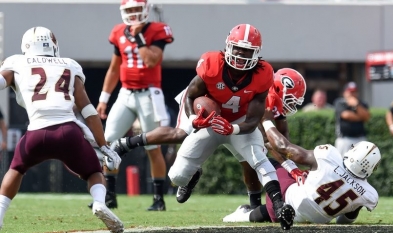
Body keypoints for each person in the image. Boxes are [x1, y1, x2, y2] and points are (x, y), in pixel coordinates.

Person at [113, 68, 307, 210]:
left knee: (249, 160)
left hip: (233, 118)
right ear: (278, 89)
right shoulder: (261, 95)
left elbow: (281, 144)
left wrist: (292, 167)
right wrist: (293, 169)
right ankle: (128, 143)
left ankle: (254, 205)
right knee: (180, 133)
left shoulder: (275, 110)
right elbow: (276, 144)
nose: (290, 106)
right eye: (289, 99)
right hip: (206, 104)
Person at [168, 23, 294, 230]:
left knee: (259, 159)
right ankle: (192, 176)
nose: (241, 55)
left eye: (247, 51)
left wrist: (233, 129)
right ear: (228, 46)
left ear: (257, 53)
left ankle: (279, 206)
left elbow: (254, 120)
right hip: (210, 122)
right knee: (176, 176)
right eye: (238, 48)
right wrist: (194, 120)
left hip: (239, 123)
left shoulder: (263, 74)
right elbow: (190, 96)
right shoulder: (211, 64)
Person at [0, 27, 123, 232]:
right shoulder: (69, 64)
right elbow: (89, 110)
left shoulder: (16, 63)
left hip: (36, 133)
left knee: (16, 169)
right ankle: (100, 203)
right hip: (69, 132)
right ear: (53, 45)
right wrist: (104, 145)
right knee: (94, 172)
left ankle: (0, 213)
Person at [223, 107, 380, 224]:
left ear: (352, 153)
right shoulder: (369, 194)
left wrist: (265, 120)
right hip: (314, 219)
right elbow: (344, 221)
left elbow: (284, 147)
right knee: (303, 177)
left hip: (284, 203)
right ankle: (248, 213)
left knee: (265, 162)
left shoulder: (329, 156)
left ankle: (247, 211)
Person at [94, 0, 174, 211]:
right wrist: (103, 99)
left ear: (146, 9)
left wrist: (137, 37)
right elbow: (113, 68)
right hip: (125, 94)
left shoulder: (157, 30)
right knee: (109, 143)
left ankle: (158, 200)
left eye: (137, 9)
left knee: (152, 147)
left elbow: (151, 61)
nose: (133, 14)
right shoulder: (118, 32)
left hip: (149, 94)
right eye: (129, 10)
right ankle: (110, 195)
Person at [334, 82, 371, 156]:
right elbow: (346, 115)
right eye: (350, 92)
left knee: (361, 165)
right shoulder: (340, 102)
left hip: (360, 139)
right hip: (345, 139)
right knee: (342, 164)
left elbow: (367, 117)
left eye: (354, 92)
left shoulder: (361, 103)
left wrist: (356, 105)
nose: (353, 94)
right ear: (344, 92)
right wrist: (360, 116)